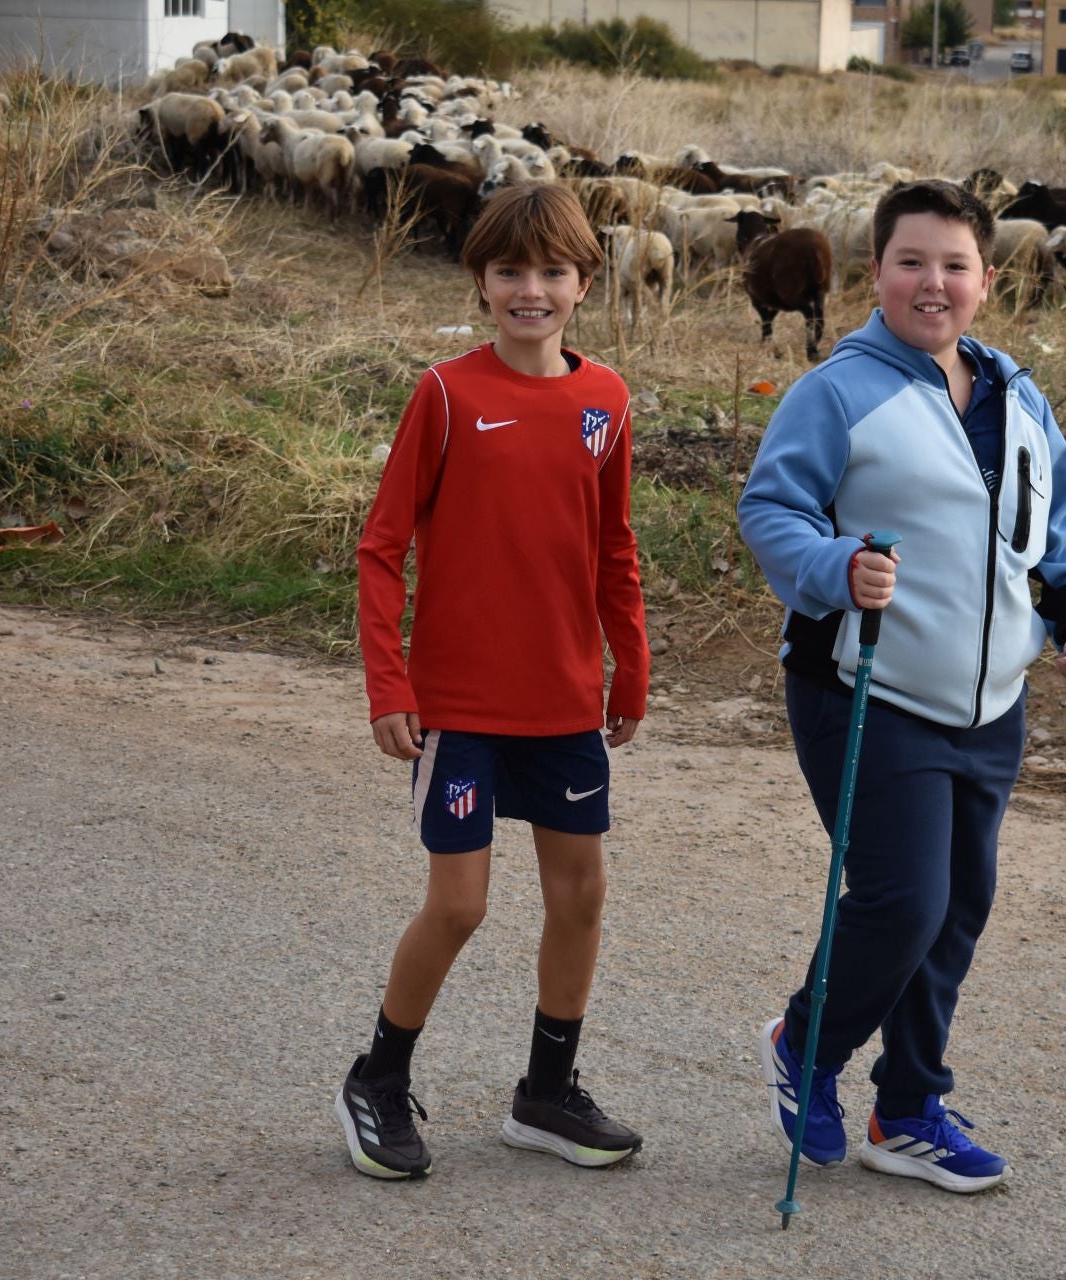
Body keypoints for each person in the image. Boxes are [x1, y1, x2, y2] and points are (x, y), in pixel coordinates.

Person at [738, 179, 1066, 1194]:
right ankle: (805, 1046)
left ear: (987, 279)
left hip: (991, 698)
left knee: (959, 907)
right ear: (876, 275)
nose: (932, 283)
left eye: (954, 264)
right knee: (904, 899)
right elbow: (772, 510)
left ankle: (907, 1111)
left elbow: (1055, 521)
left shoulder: (1017, 394)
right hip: (865, 685)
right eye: (912, 262)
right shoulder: (838, 390)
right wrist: (837, 565)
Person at [340, 183, 650, 1180]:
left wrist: (630, 662)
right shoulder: (444, 394)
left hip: (563, 699)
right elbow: (382, 546)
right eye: (510, 272)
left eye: (552, 272)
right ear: (481, 282)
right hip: (461, 706)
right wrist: (389, 680)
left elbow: (613, 546)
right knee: (461, 903)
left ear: (583, 283)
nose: (531, 290)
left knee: (582, 893)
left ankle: (546, 1093)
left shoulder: (605, 398)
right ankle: (378, 1079)